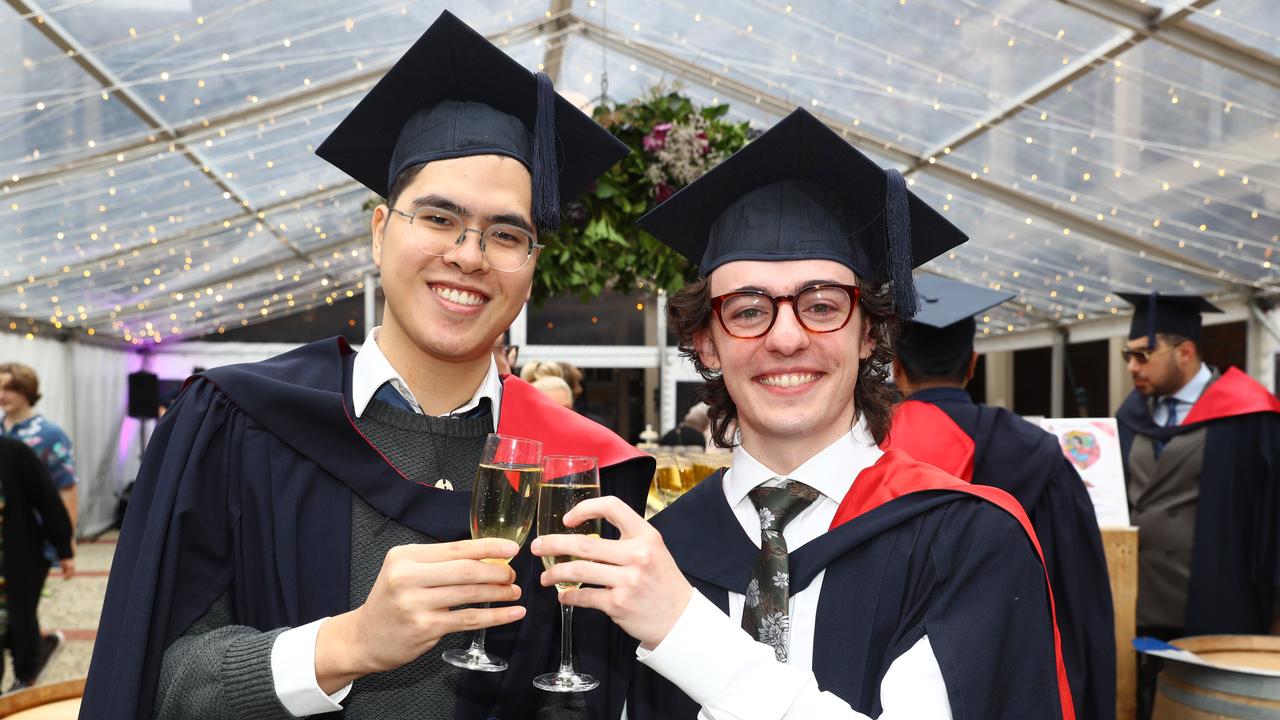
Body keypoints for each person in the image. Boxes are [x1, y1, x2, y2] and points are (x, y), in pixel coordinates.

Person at [82, 12, 653, 720]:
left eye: (507, 234)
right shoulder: (239, 422)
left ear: (531, 269)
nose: (470, 257)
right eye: (439, 219)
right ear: (380, 233)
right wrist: (346, 644)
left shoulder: (574, 472)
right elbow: (158, 686)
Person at [533, 108, 1075, 719]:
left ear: (870, 333)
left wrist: (685, 632)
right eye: (746, 310)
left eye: (821, 305)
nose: (786, 339)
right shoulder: (661, 551)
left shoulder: (966, 541)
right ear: (707, 343)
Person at [887, 274, 1115, 720]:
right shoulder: (1039, 453)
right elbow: (1079, 602)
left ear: (895, 366)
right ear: (973, 364)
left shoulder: (869, 451)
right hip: (1022, 682)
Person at [1114, 292, 1280, 719]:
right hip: (1138, 608)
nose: (1132, 366)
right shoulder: (1129, 416)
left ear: (1185, 352)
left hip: (1218, 606)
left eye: (1142, 355)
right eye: (1126, 356)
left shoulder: (1250, 414)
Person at [0, 435, 74, 693]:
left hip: (17, 561)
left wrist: (64, 548)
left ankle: (26, 677)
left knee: (18, 623)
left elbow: (46, 499)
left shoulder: (13, 452)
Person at [0, 363, 78, 541]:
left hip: (34, 537)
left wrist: (66, 540)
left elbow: (66, 486)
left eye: (9, 389)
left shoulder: (50, 435)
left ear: (26, 390)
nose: (2, 395)